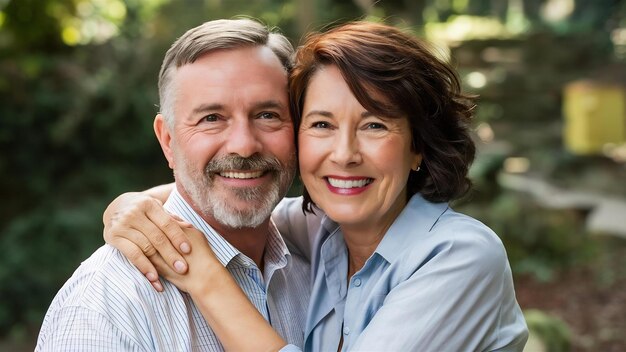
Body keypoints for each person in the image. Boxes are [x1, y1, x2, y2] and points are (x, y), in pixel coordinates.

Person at [104, 21, 529, 351]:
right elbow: (214, 195)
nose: (344, 154)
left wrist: (205, 277)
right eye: (322, 124)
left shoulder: (461, 257)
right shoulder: (319, 231)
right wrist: (127, 207)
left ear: (418, 146)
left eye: (375, 125)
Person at [36, 19, 311, 351]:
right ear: (167, 140)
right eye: (211, 118)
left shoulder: (321, 261)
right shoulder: (107, 306)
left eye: (267, 114)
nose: (244, 145)